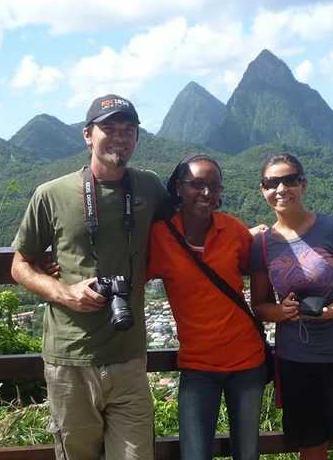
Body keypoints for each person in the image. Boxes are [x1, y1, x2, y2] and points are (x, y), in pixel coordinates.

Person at [10, 94, 168, 460]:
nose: (119, 138)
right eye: (108, 129)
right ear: (87, 135)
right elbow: (19, 264)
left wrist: (250, 235)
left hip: (128, 357)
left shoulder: (149, 187)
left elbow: (192, 223)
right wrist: (63, 292)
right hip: (70, 360)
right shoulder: (51, 194)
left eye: (128, 130)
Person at [249, 152, 333, 460]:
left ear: (303, 185)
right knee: (310, 448)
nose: (282, 189)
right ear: (263, 189)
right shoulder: (262, 244)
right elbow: (260, 305)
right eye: (272, 183)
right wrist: (281, 312)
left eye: (290, 180)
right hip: (296, 361)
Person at [147, 154, 267, 460]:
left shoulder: (233, 229)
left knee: (247, 452)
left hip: (248, 360)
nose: (206, 192)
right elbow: (129, 268)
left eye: (214, 186)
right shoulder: (160, 237)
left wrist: (260, 234)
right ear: (178, 189)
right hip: (198, 365)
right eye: (197, 184)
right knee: (195, 453)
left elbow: (256, 265)